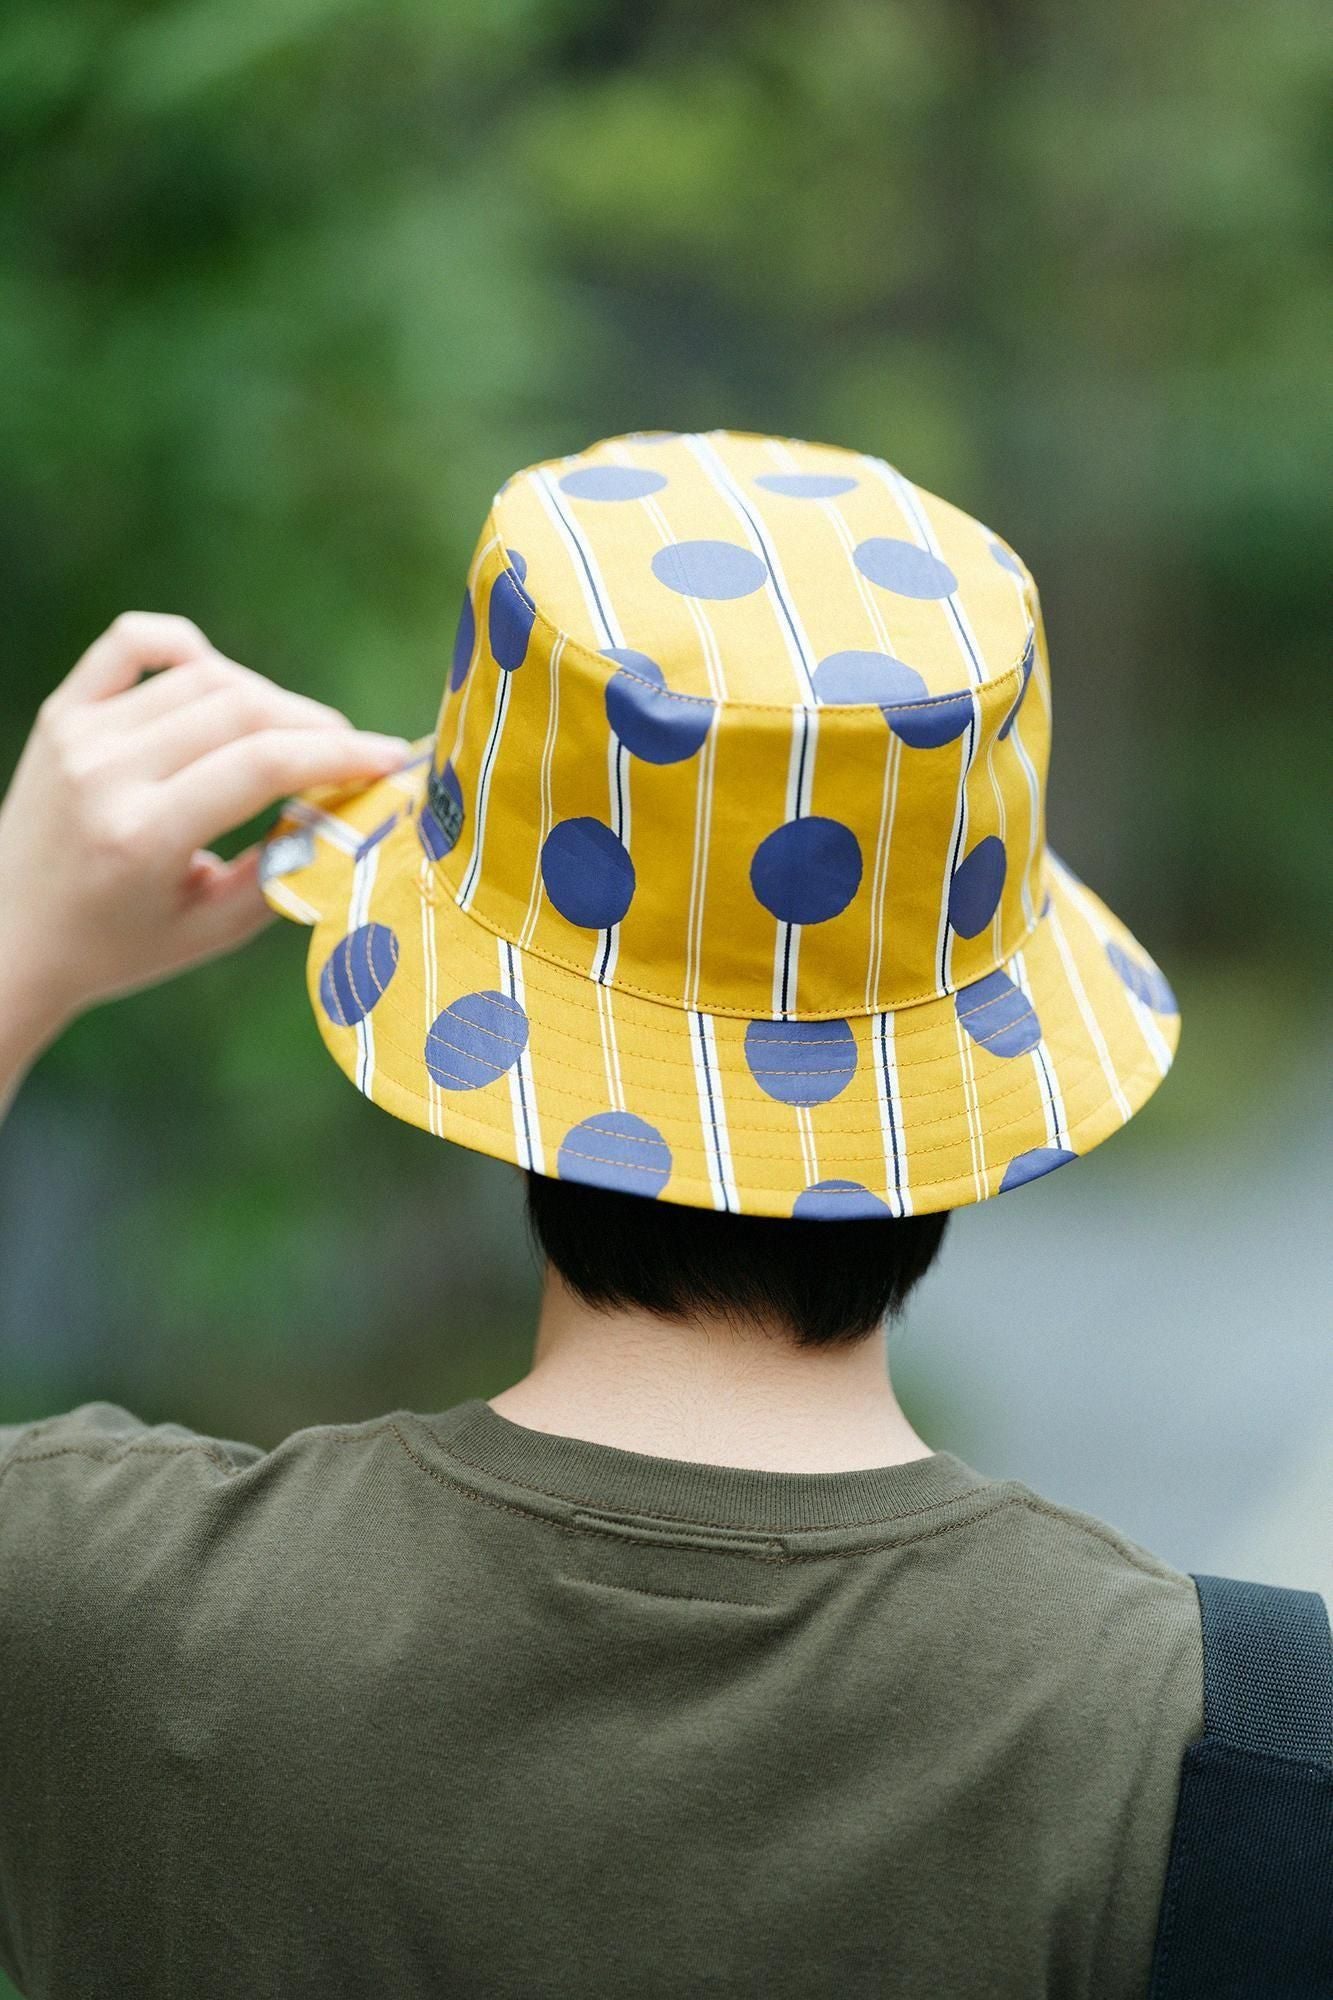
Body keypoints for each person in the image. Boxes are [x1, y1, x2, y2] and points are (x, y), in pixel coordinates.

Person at [0, 433, 1325, 2000]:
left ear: (508, 1037)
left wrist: (21, 948)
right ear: (956, 1070)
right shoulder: (1237, 1755)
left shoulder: (92, 1608)